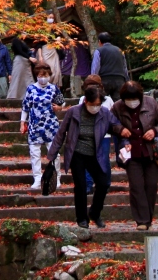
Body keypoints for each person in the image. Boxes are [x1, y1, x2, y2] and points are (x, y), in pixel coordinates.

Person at [48, 85, 123, 229]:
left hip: (95, 153)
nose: (96, 107)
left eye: (98, 104)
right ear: (86, 101)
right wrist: (52, 154)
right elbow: (61, 133)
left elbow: (115, 125)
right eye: (93, 104)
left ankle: (95, 212)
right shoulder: (74, 112)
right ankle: (82, 218)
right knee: (81, 186)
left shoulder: (104, 113)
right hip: (77, 153)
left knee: (103, 183)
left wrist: (123, 131)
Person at [115, 80, 158, 230]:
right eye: (128, 99)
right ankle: (142, 220)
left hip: (151, 151)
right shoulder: (118, 107)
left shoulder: (150, 103)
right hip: (131, 153)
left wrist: (155, 130)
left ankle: (148, 218)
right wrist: (120, 130)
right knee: (137, 186)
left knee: (151, 185)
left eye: (134, 99)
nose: (131, 103)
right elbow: (110, 124)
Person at [21, 61, 65, 191]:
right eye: (40, 74)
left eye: (45, 74)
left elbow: (62, 103)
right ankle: (37, 178)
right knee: (34, 153)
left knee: (54, 154)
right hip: (35, 125)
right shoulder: (31, 89)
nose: (43, 77)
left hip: (51, 126)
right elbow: (25, 107)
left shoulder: (53, 88)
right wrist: (22, 122)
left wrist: (59, 107)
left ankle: (56, 178)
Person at [90, 32, 129, 99]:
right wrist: (127, 79)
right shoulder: (120, 50)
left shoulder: (99, 51)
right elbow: (124, 67)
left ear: (99, 41)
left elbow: (95, 67)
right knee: (119, 103)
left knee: (103, 102)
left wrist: (93, 80)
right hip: (119, 79)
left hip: (104, 80)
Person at [7, 33, 34, 100]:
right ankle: (13, 96)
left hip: (25, 62)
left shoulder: (23, 42)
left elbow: (24, 50)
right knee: (17, 78)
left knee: (27, 79)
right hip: (19, 61)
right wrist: (29, 57)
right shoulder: (16, 40)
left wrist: (30, 50)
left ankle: (28, 95)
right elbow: (19, 51)